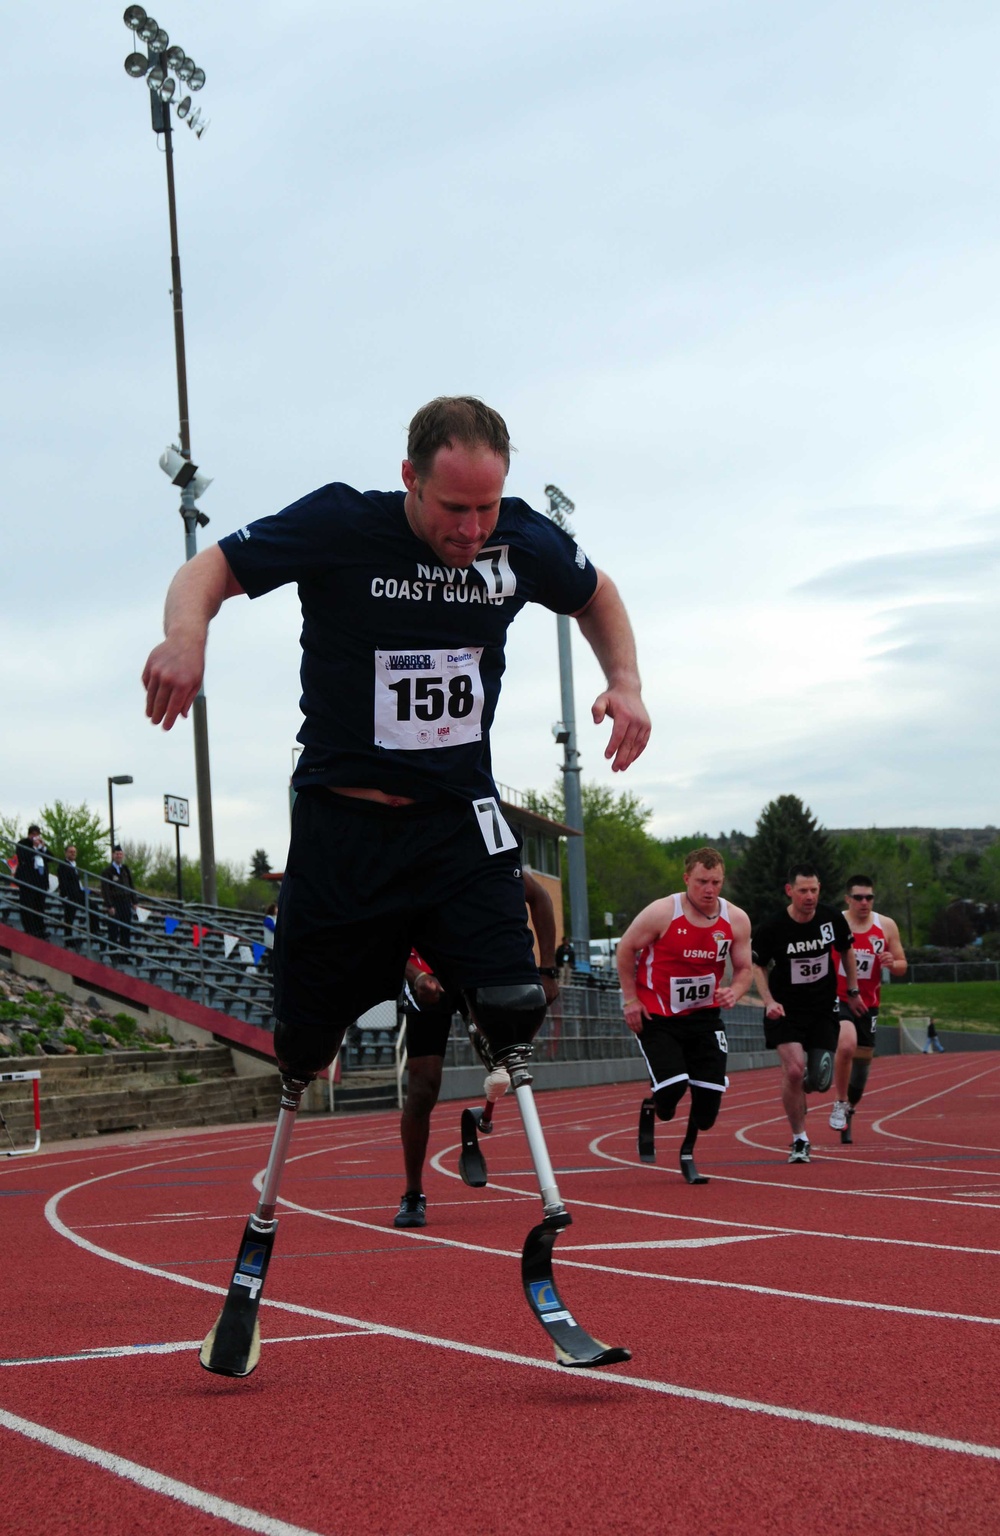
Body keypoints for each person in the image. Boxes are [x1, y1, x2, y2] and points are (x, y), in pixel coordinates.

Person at [142, 396, 649, 1206]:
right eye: (454, 508)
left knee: (516, 999)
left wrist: (624, 683)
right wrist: (187, 636)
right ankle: (269, 1200)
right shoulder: (342, 525)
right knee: (303, 1040)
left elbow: (598, 596)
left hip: (456, 821)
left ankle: (547, 1210)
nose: (472, 529)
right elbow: (210, 571)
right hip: (346, 825)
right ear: (409, 478)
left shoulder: (522, 539)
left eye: (487, 507)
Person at [394, 869, 558, 1227]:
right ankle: (412, 1193)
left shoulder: (479, 857)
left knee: (505, 1063)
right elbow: (383, 937)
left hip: (476, 971)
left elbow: (541, 897)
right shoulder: (405, 865)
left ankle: (548, 1192)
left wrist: (548, 970)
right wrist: (416, 976)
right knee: (423, 1088)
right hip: (425, 977)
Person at [616, 847, 752, 1184]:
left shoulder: (736, 919)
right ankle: (655, 1105)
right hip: (658, 1014)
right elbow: (626, 948)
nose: (709, 889)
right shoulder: (663, 912)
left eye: (716, 882)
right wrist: (631, 1000)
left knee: (707, 1111)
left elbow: (745, 968)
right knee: (672, 1092)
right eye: (702, 882)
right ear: (686, 879)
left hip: (704, 1018)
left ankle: (687, 1150)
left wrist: (735, 990)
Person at [752, 865, 866, 1164]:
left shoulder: (831, 919)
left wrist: (852, 992)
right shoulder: (773, 927)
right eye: (803, 890)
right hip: (786, 1010)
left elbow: (846, 951)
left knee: (820, 1080)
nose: (809, 896)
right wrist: (768, 1001)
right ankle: (799, 1139)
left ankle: (802, 1081)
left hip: (822, 1008)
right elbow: (759, 966)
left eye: (814, 890)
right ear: (790, 891)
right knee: (792, 1070)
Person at [829, 874, 908, 1135]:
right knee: (846, 1043)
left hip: (868, 1003)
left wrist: (891, 962)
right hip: (838, 998)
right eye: (859, 897)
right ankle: (839, 1103)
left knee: (861, 1074)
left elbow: (902, 966)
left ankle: (849, 1106)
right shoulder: (834, 923)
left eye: (869, 897)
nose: (864, 902)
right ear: (848, 899)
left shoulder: (886, 926)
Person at [15, 825, 49, 940]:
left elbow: (51, 858)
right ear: (29, 835)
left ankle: (40, 929)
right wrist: (34, 848)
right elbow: (23, 856)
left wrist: (42, 848)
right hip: (27, 881)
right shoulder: (23, 844)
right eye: (33, 834)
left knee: (39, 906)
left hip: (40, 882)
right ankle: (29, 929)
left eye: (37, 834)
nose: (36, 837)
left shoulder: (41, 846)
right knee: (27, 905)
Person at [101, 845, 137, 953]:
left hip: (126, 902)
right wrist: (109, 905)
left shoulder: (125, 870)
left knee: (126, 929)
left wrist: (134, 901)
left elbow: (131, 886)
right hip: (115, 903)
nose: (119, 856)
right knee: (113, 928)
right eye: (117, 854)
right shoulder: (107, 871)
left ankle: (125, 954)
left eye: (120, 854)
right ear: (113, 855)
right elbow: (105, 890)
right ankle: (113, 952)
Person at [56, 845, 86, 948]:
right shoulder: (63, 865)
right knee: (69, 917)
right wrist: (65, 895)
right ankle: (68, 939)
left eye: (74, 852)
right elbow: (63, 882)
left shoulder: (74, 866)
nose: (73, 853)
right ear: (66, 853)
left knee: (93, 907)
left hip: (77, 894)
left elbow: (78, 883)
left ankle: (94, 930)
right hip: (69, 896)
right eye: (70, 851)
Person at [262, 902, 278, 976]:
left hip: (275, 943)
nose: (277, 910)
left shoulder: (275, 919)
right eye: (276, 908)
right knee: (271, 960)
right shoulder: (268, 919)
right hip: (270, 943)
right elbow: (273, 928)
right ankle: (270, 974)